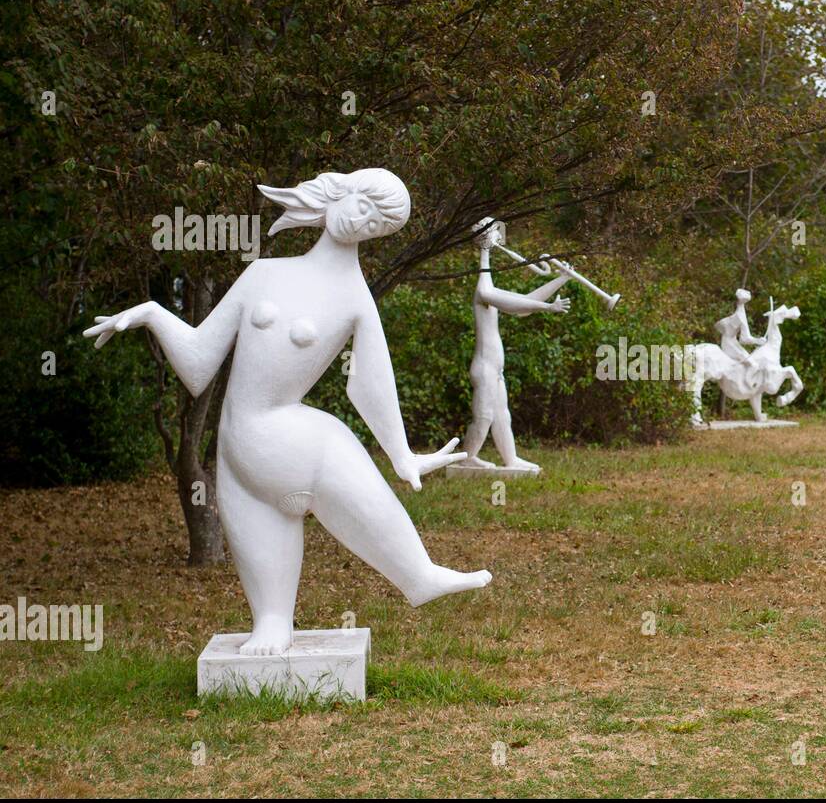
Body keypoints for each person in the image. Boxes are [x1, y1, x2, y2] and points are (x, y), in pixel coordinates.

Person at [85, 169, 490, 656]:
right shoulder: (264, 273)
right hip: (238, 452)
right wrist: (152, 313)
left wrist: (403, 457)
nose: (361, 224)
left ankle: (418, 573)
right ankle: (277, 620)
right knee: (269, 594)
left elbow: (372, 383)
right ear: (341, 193)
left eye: (376, 227)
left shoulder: (354, 299)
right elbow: (197, 365)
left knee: (332, 443)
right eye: (363, 208)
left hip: (291, 437)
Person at [459, 218, 571, 472]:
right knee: (484, 417)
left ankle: (511, 460)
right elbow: (502, 298)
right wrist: (485, 249)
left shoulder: (490, 291)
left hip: (494, 370)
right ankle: (467, 459)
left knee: (502, 417)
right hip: (484, 368)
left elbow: (524, 304)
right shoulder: (483, 292)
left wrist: (562, 279)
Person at [714, 288, 766, 365]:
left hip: (731, 342)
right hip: (729, 344)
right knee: (752, 364)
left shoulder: (738, 314)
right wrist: (757, 341)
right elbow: (744, 339)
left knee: (750, 361)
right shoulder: (740, 316)